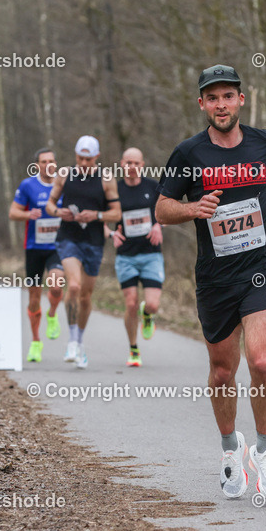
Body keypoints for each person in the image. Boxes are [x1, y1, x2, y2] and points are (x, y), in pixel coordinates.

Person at [155, 64, 266, 499]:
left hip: (262, 268)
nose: (221, 104)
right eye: (212, 98)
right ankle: (230, 450)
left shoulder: (264, 141)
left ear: (241, 99)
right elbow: (161, 208)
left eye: (227, 96)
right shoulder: (188, 153)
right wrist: (193, 209)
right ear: (202, 104)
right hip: (216, 277)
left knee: (262, 362)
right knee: (221, 372)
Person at [46, 136, 121, 369]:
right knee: (74, 286)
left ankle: (79, 342)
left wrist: (96, 215)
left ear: (96, 157)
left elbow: (117, 214)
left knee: (86, 296)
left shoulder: (106, 179)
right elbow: (49, 204)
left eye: (88, 159)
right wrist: (59, 212)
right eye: (80, 158)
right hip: (68, 238)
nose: (84, 163)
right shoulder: (64, 175)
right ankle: (71, 341)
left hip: (94, 242)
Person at [10, 148, 66, 363]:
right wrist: (27, 214)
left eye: (52, 160)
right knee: (33, 299)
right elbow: (12, 212)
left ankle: (52, 314)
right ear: (37, 166)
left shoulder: (63, 184)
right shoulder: (27, 186)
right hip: (34, 249)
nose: (48, 165)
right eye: (44, 161)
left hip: (57, 247)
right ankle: (35, 341)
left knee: (56, 284)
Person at [110, 147, 163, 367]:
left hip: (151, 254)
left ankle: (147, 314)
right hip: (126, 257)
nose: (132, 167)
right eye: (128, 163)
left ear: (142, 165)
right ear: (121, 164)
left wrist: (159, 225)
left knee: (152, 304)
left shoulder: (153, 187)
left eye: (136, 163)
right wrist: (111, 233)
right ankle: (133, 349)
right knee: (130, 303)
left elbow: (166, 211)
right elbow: (98, 217)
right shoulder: (114, 190)